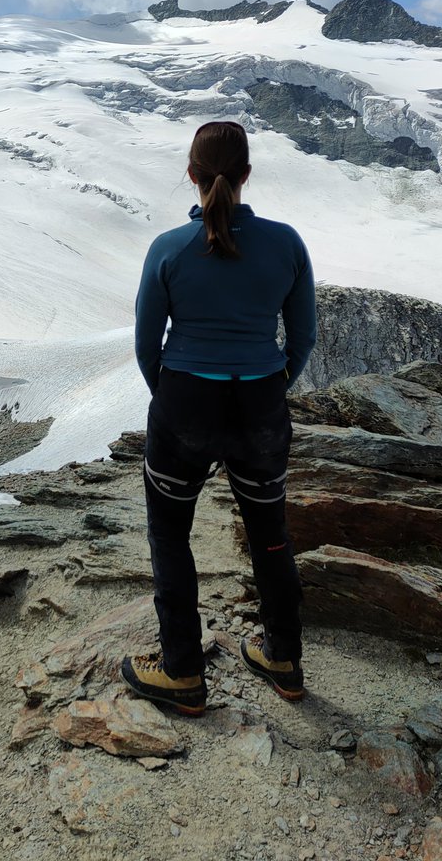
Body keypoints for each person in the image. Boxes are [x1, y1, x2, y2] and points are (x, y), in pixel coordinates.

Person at [121, 121, 316, 715]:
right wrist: (272, 385)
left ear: (192, 174)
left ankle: (182, 670)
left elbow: (145, 345)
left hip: (185, 402)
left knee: (170, 535)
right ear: (247, 174)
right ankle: (282, 656)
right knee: (270, 534)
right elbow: (302, 337)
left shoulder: (169, 249)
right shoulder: (286, 243)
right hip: (259, 401)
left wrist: (172, 397)